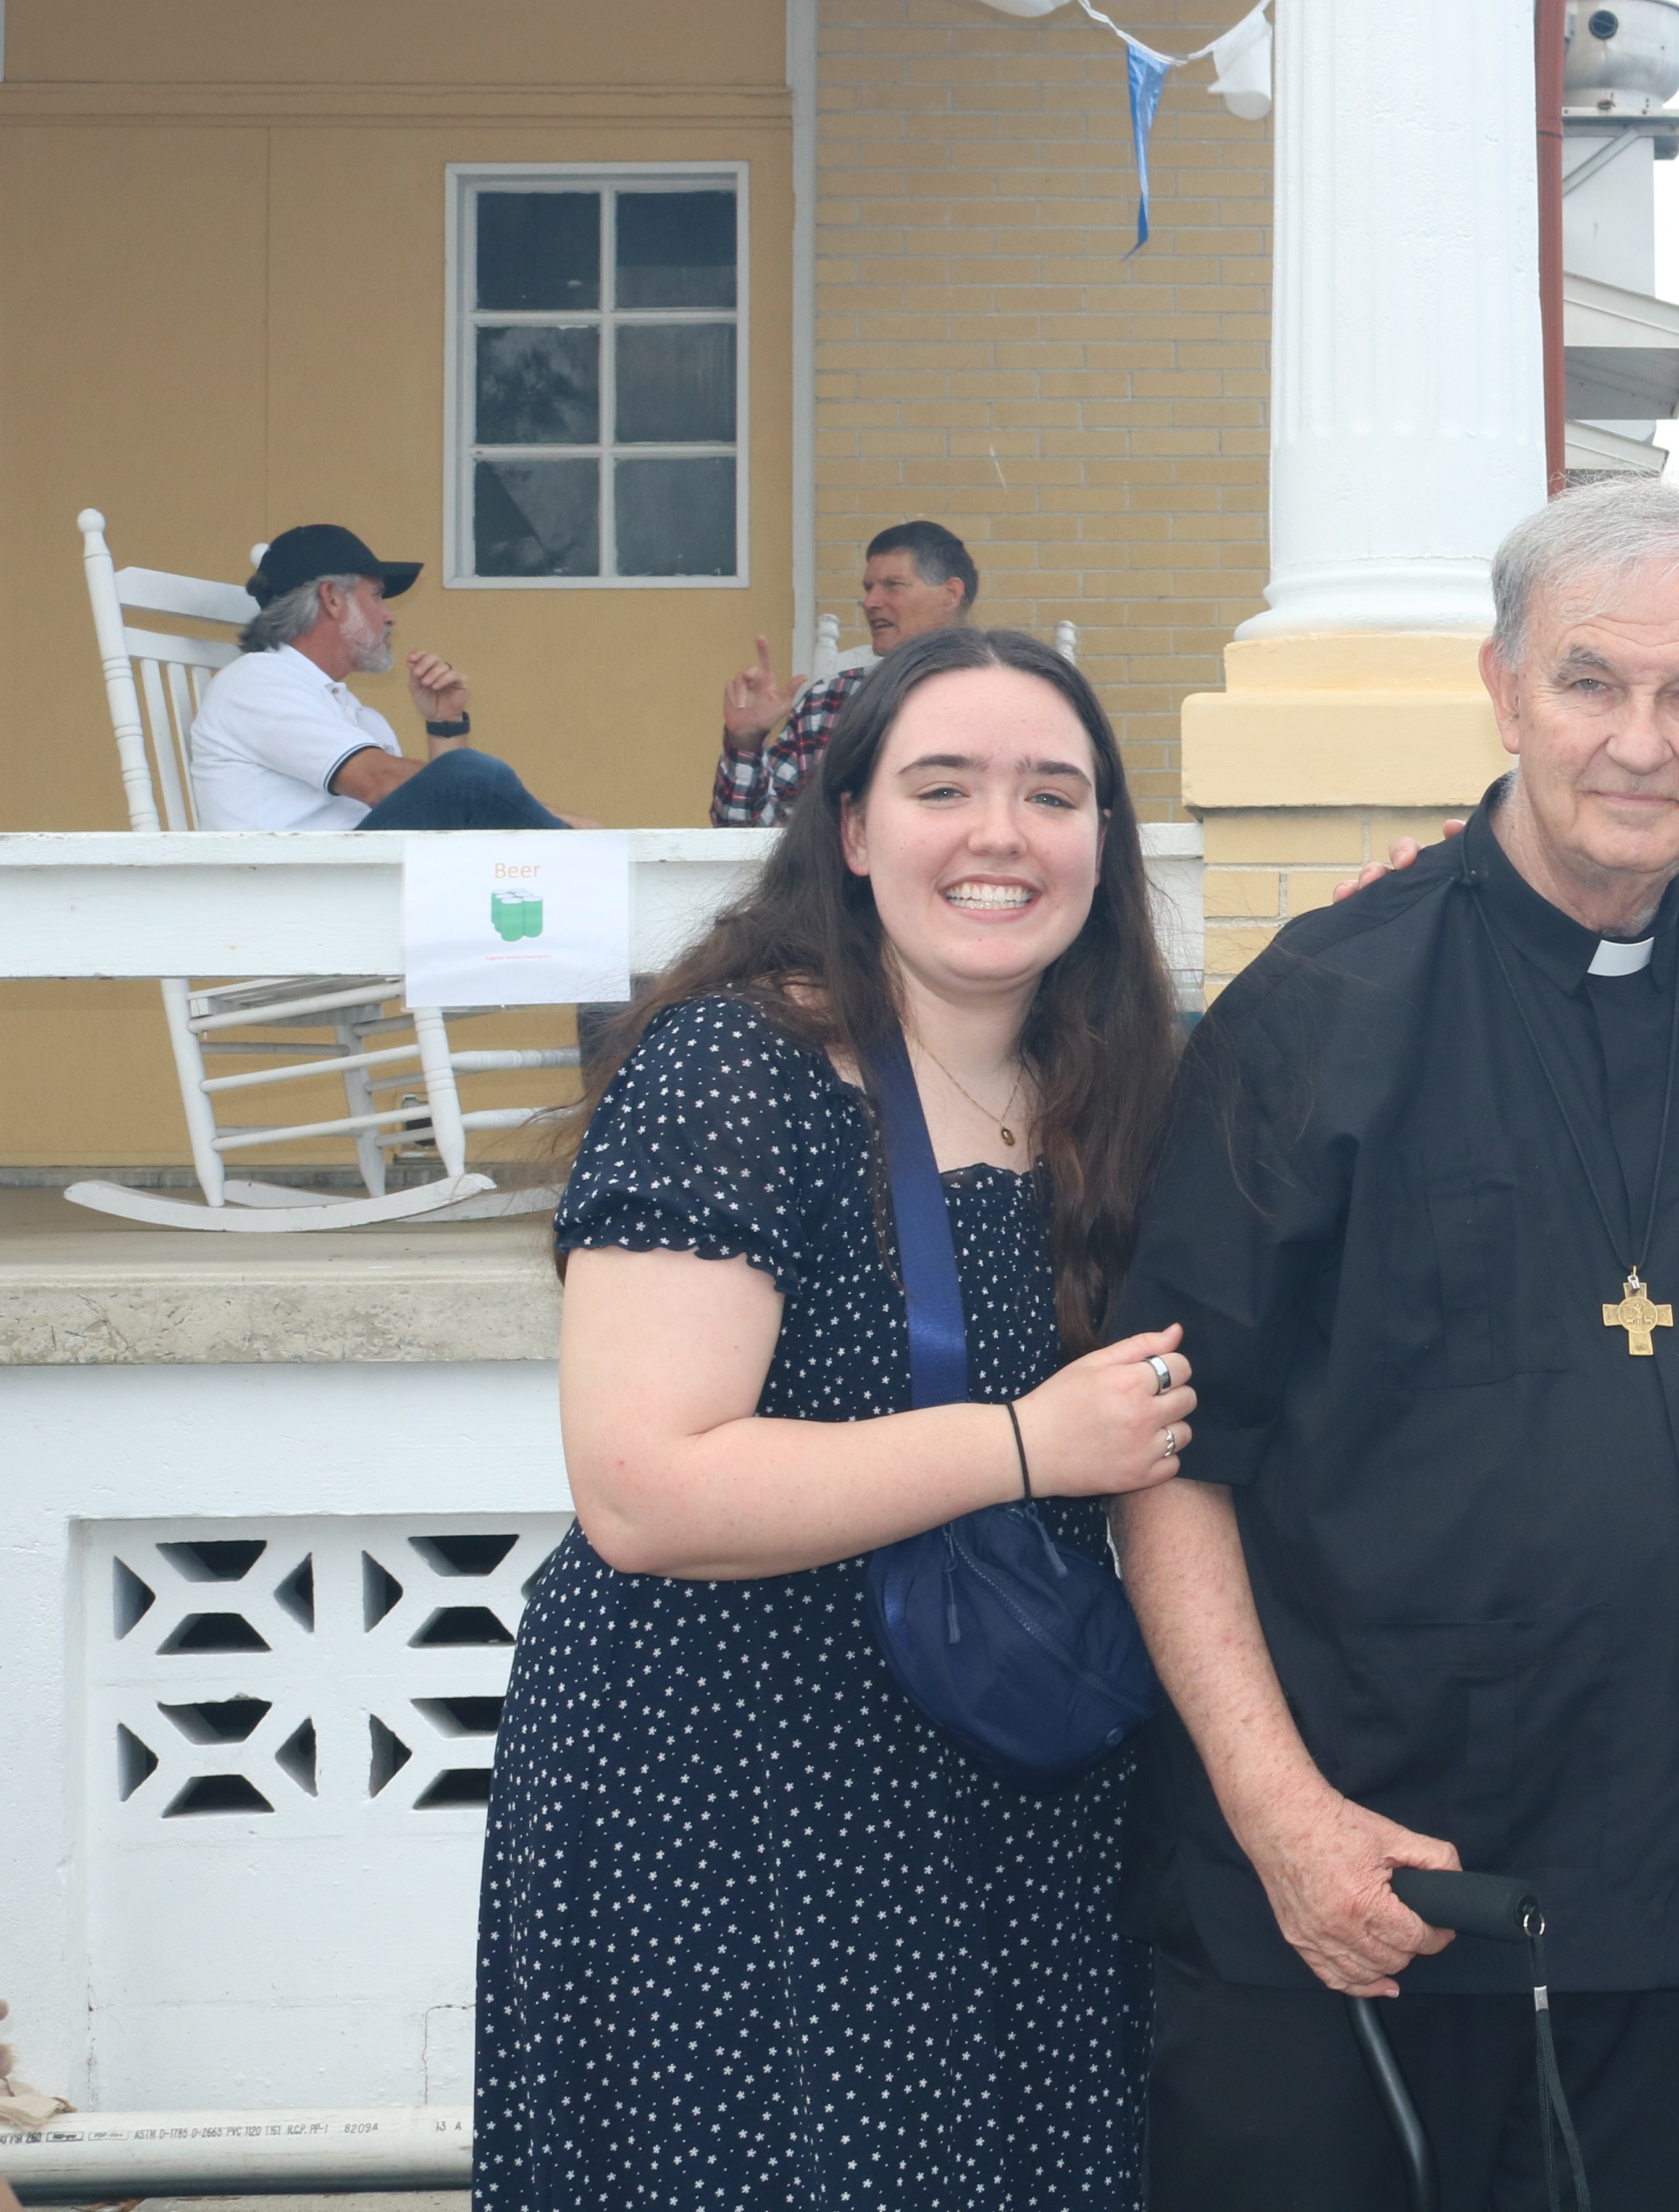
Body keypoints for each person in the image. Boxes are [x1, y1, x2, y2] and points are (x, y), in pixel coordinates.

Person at [1109, 478, 1679, 2211]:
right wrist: (1281, 1816)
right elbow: (1166, 1454)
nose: (1640, 740)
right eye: (1590, 682)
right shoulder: (1319, 1009)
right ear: (1505, 686)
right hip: (1364, 1903)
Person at [476, 625, 1191, 2206]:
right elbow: (643, 1488)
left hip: (1008, 1791)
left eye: (1052, 794)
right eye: (946, 786)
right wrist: (1026, 1443)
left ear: (1102, 843)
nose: (1001, 833)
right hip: (734, 1799)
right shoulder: (738, 1071)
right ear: (855, 831)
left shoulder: (1120, 1085)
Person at [189, 524, 590, 831]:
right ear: (331, 598)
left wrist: (444, 723)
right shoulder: (256, 682)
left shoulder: (352, 712)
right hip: (296, 891)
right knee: (473, 777)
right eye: (378, 595)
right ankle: (578, 859)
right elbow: (377, 782)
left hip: (363, 878)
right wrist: (554, 822)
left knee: (470, 781)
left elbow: (440, 813)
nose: (390, 615)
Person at [713, 520, 981, 827]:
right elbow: (744, 835)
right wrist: (746, 744)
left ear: (951, 594)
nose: (870, 603)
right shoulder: (830, 702)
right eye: (869, 589)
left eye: (893, 585)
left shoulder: (1005, 699)